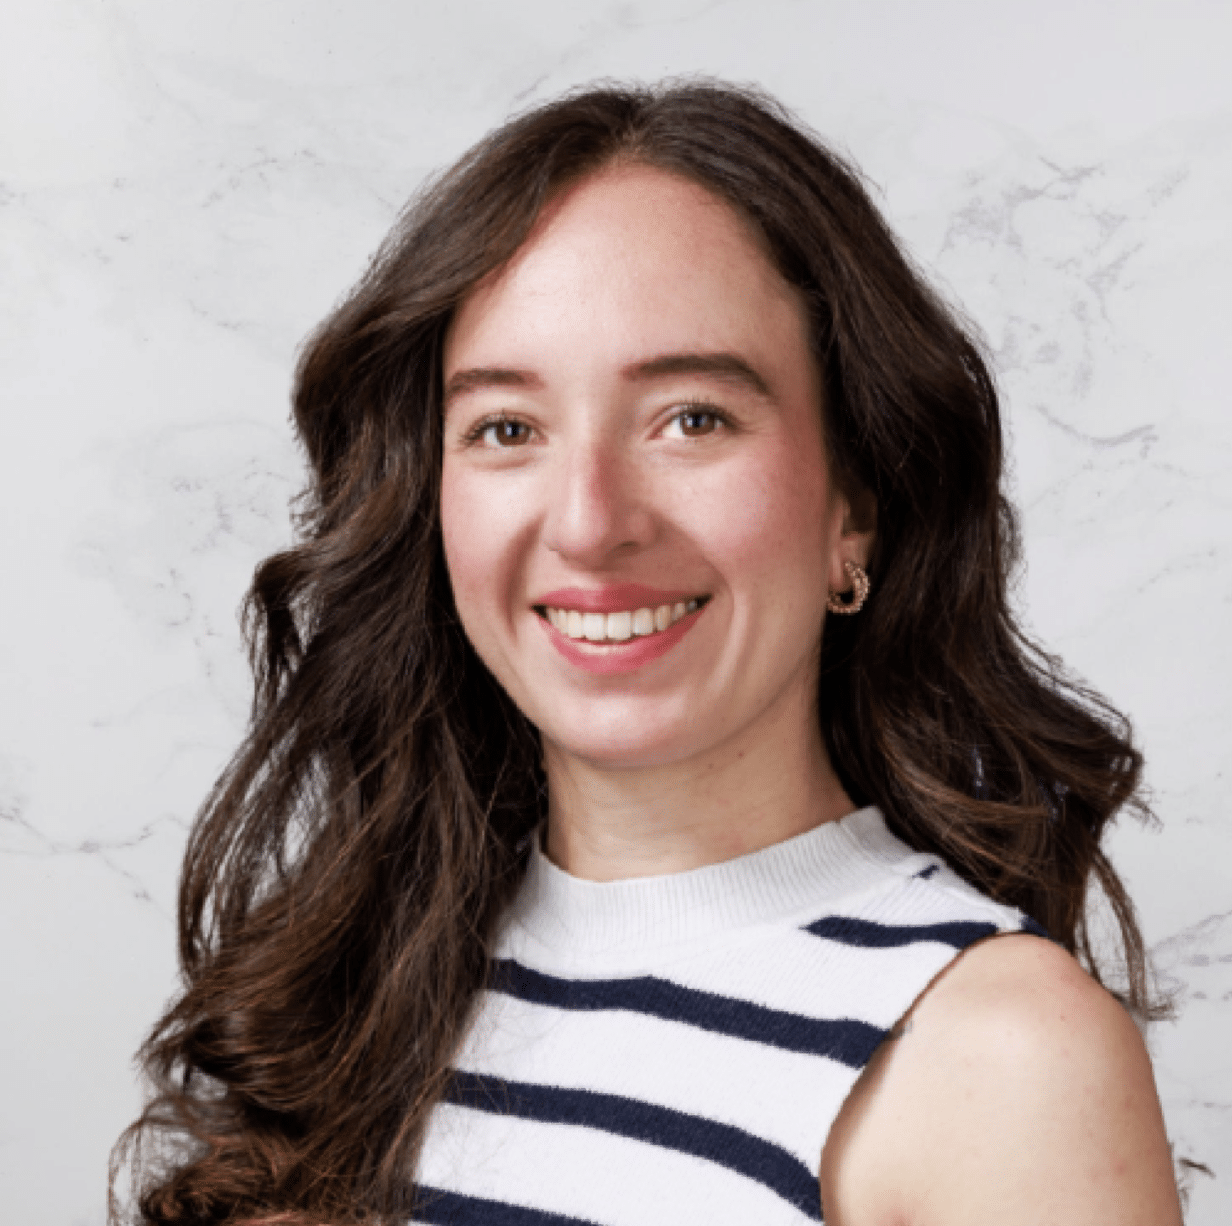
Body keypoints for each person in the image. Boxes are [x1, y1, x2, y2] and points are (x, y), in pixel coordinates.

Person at [113, 81, 1183, 1225]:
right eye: (506, 428)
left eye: (691, 417)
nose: (588, 521)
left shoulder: (997, 1059)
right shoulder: (350, 992)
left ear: (854, 507)